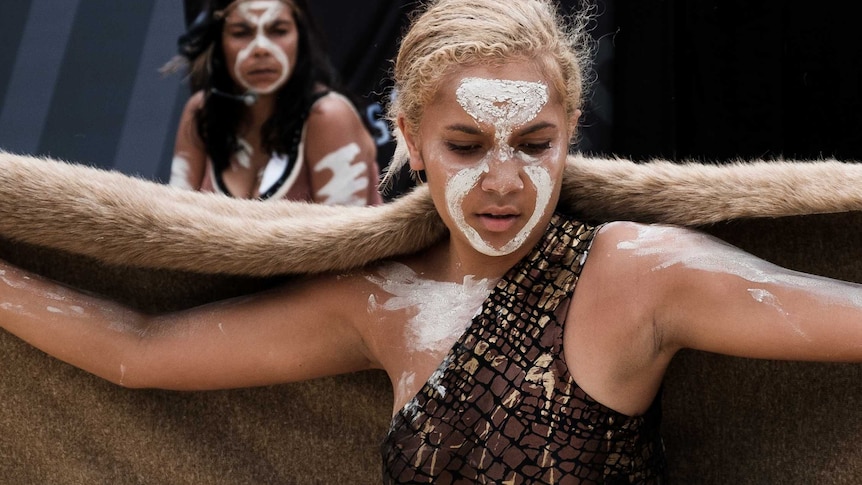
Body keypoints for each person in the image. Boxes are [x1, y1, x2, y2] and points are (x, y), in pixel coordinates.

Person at [3, 0, 862, 482]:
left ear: (569, 135)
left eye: (534, 145)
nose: (501, 180)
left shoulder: (639, 273)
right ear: (410, 139)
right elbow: (137, 349)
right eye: (464, 145)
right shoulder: (381, 303)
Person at [168, 0, 382, 204]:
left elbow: (341, 239)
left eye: (278, 31)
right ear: (219, 41)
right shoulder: (201, 110)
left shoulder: (329, 115)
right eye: (241, 33)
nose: (261, 48)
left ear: (299, 36)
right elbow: (171, 225)